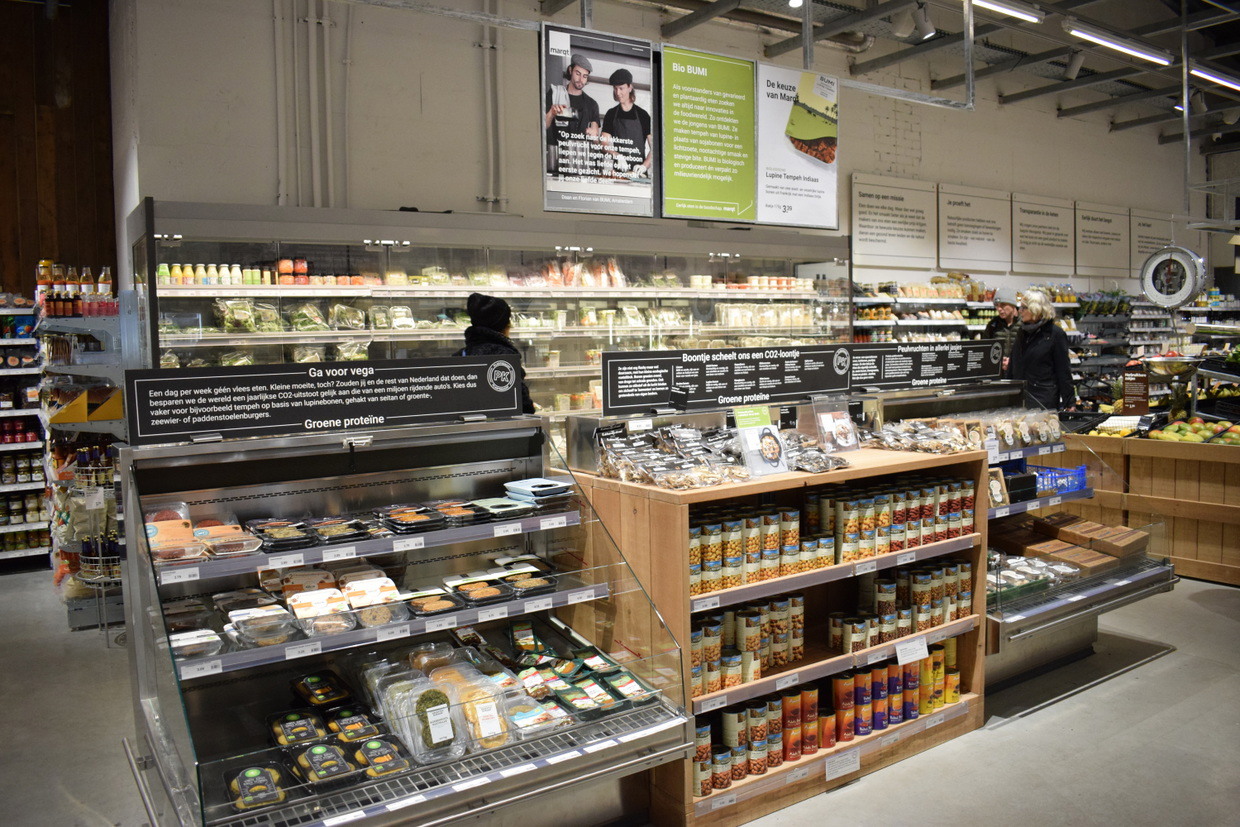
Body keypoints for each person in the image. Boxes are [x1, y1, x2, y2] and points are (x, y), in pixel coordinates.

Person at [459, 293, 535, 414]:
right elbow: (522, 403)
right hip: (502, 423)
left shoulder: (462, 354)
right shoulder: (505, 356)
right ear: (504, 326)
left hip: (471, 422)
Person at [1009, 289, 1076, 411]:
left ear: (1036, 309)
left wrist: (1069, 401)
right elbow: (1013, 362)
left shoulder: (1055, 334)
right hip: (1020, 397)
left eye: (1024, 308)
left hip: (1043, 399)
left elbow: (1063, 370)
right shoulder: (1022, 332)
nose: (1020, 311)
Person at [545, 53, 600, 177]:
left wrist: (594, 136)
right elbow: (542, 126)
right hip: (556, 163)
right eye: (578, 73)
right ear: (570, 70)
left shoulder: (592, 104)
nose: (581, 80)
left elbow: (596, 140)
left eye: (585, 76)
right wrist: (552, 113)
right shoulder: (554, 94)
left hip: (581, 165)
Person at [600, 68, 652, 179]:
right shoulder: (611, 114)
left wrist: (644, 166)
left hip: (639, 175)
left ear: (630, 87)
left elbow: (654, 148)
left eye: (621, 88)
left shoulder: (643, 115)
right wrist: (616, 155)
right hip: (618, 175)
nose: (617, 93)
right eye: (615, 88)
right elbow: (603, 144)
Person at [982, 287, 1020, 374]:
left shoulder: (1024, 324)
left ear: (1012, 305)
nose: (999, 309)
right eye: (997, 305)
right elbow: (984, 348)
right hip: (998, 371)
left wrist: (1013, 361)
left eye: (1003, 305)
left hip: (1018, 371)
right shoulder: (993, 324)